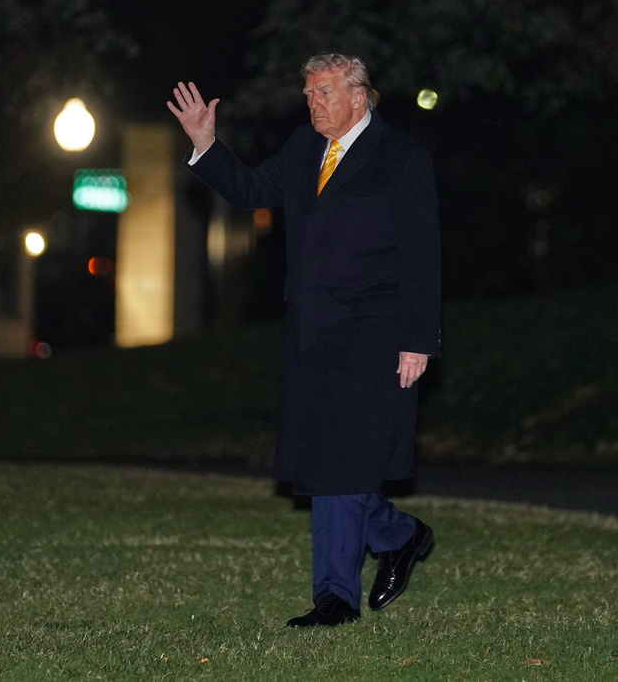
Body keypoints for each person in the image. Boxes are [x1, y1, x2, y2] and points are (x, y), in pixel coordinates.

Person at [168, 53, 441, 627]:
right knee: (327, 457)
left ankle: (335, 599)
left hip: (376, 332)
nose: (312, 103)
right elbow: (246, 190)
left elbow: (422, 257)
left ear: (359, 97)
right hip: (314, 336)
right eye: (308, 94)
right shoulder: (301, 149)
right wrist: (205, 144)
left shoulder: (402, 159)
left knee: (340, 460)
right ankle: (399, 535)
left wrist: (418, 339)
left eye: (323, 92)